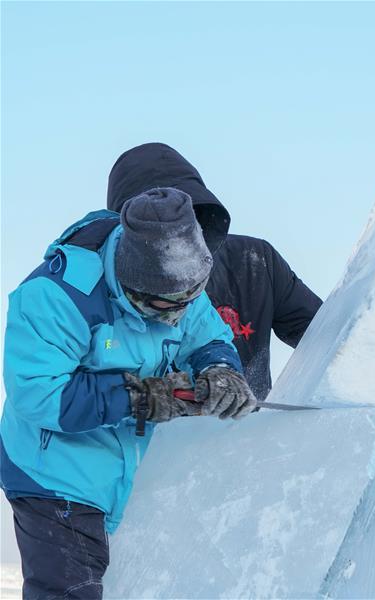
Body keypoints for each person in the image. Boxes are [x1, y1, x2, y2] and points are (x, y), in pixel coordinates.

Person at [1, 189, 256, 599]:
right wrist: (140, 397)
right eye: (167, 306)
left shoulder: (179, 282)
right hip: (55, 477)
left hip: (129, 472)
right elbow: (39, 394)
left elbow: (208, 336)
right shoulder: (55, 297)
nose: (180, 313)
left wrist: (220, 369)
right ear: (133, 286)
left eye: (190, 299)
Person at [106, 144, 323, 401]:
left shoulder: (256, 261)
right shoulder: (99, 292)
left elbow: (327, 337)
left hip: (250, 424)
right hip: (152, 426)